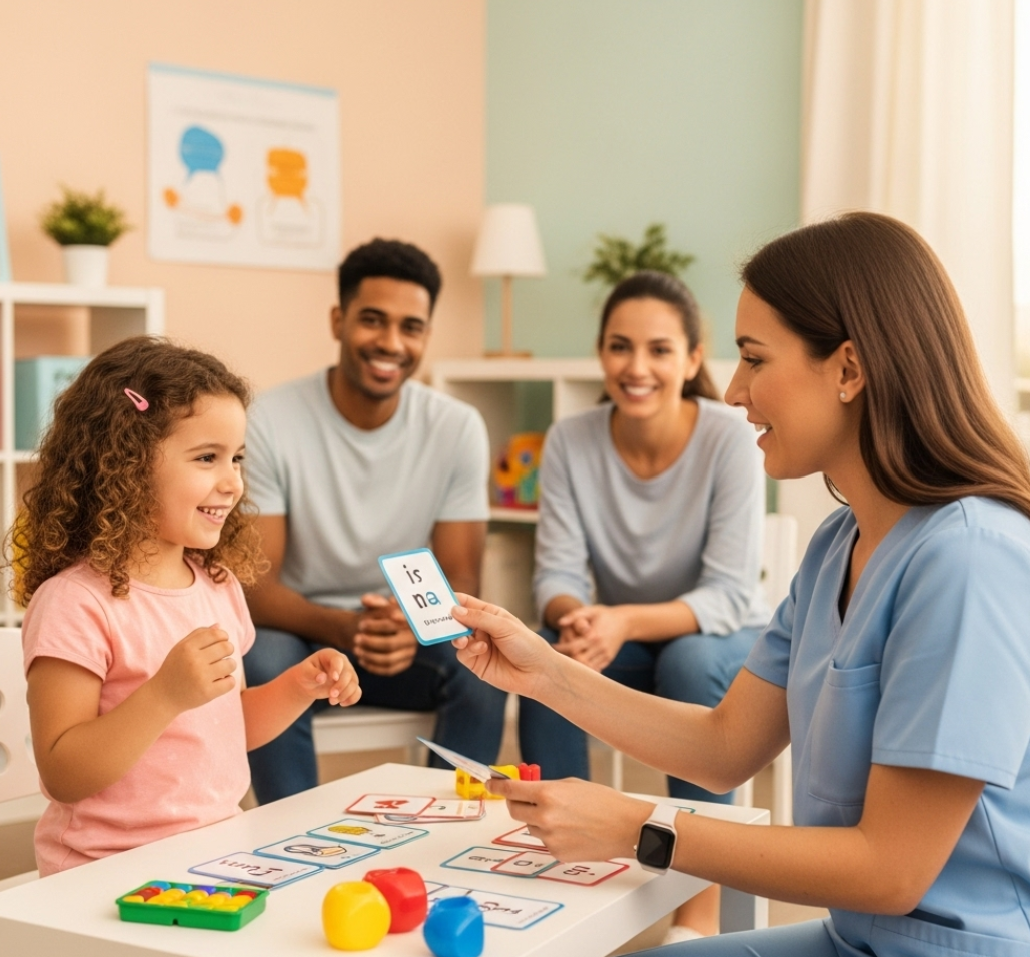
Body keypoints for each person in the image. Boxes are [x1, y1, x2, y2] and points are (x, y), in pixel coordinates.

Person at [449, 212, 1030, 956]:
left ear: (849, 370)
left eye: (754, 359)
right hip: (855, 941)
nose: (730, 388)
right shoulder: (837, 546)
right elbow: (727, 745)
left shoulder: (970, 559)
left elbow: (891, 871)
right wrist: (545, 671)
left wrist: (637, 828)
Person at [14, 337, 361, 876]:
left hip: (212, 856)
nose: (232, 481)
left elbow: (226, 728)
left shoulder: (217, 587)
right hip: (103, 871)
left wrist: (298, 688)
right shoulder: (74, 603)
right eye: (207, 458)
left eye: (237, 458)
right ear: (125, 464)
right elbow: (63, 771)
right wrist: (163, 695)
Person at [518, 270, 769, 943]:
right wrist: (578, 617)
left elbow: (728, 594)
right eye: (620, 346)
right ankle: (561, 866)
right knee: (543, 653)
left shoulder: (729, 437)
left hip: (716, 636)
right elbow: (557, 574)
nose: (637, 367)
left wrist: (622, 618)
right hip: (617, 633)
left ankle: (697, 910)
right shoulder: (571, 440)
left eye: (659, 350)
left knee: (687, 666)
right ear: (601, 353)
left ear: (691, 360)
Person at [243, 237, 506, 804]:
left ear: (426, 336)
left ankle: (454, 833)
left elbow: (464, 586)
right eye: (372, 320)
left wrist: (409, 625)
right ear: (338, 321)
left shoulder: (456, 427)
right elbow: (255, 587)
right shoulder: (271, 419)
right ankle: (290, 838)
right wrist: (344, 628)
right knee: (261, 653)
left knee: (484, 658)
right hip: (304, 632)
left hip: (408, 633)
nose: (391, 343)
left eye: (411, 326)